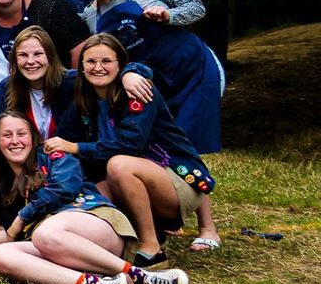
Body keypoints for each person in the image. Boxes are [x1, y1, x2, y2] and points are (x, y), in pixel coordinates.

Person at [57, 33, 220, 266]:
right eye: (91, 61)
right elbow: (62, 139)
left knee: (119, 165)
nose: (98, 67)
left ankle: (151, 246)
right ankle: (132, 240)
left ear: (120, 65)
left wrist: (75, 147)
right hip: (133, 179)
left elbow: (129, 144)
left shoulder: (138, 90)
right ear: (81, 66)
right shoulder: (83, 100)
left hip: (177, 178)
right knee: (89, 196)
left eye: (106, 61)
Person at [0, 113, 187, 284]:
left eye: (21, 134)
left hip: (91, 218)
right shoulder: (1, 183)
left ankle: (139, 275)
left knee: (45, 234)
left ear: (33, 137)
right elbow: (6, 232)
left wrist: (23, 216)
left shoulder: (53, 155)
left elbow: (64, 188)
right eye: (7, 135)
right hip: (54, 245)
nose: (15, 141)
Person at [70, 0, 224, 160]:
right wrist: (126, 74)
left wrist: (169, 16)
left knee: (196, 142)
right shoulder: (90, 17)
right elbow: (110, 61)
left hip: (192, 67)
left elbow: (196, 7)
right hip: (153, 85)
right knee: (169, 148)